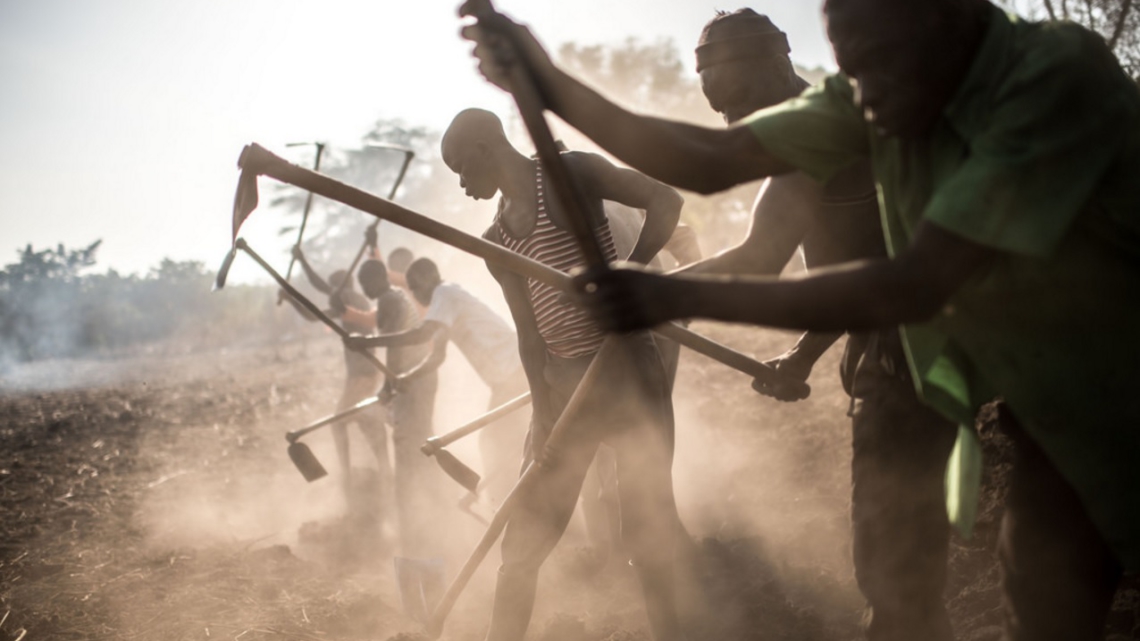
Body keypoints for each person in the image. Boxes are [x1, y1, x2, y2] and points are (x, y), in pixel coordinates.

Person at [461, 1, 1140, 639]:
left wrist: (665, 296)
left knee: (1060, 579)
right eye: (848, 63)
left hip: (1107, 378)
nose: (861, 92)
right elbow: (709, 166)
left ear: (942, 20)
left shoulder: (1049, 78)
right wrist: (546, 80)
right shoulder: (872, 89)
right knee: (930, 581)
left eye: (872, 61)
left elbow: (914, 279)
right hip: (953, 356)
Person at [682, 10, 960, 640]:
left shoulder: (823, 131)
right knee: (901, 561)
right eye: (725, 113)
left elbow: (759, 260)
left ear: (777, 63)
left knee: (893, 565)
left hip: (913, 355)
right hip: (892, 347)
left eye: (741, 99)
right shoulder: (804, 134)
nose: (739, 123)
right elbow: (858, 270)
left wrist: (651, 293)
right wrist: (804, 357)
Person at [441, 107, 688, 641]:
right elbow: (530, 338)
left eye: (461, 168)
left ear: (486, 147)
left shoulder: (570, 173)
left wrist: (633, 272)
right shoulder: (497, 243)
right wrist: (543, 413)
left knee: (647, 528)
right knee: (523, 544)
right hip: (563, 387)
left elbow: (666, 200)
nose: (461, 185)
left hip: (628, 371)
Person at [345, 256, 530, 506]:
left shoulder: (445, 293)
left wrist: (367, 343)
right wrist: (405, 378)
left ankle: (509, 504)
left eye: (415, 286)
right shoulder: (446, 305)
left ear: (428, 279)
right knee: (510, 440)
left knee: (493, 442)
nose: (415, 294)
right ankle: (515, 500)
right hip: (510, 376)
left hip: (514, 372)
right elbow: (436, 357)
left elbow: (421, 335)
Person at [340, 256, 445, 558]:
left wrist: (389, 385)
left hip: (412, 382)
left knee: (409, 443)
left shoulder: (388, 300)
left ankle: (411, 519)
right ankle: (429, 505)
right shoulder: (393, 297)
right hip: (417, 379)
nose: (366, 291)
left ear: (377, 279)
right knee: (420, 439)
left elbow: (395, 345)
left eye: (367, 284)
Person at [281, 245, 391, 514]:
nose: (331, 298)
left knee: (339, 422)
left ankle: (347, 477)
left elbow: (312, 306)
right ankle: (383, 472)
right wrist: (297, 273)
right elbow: (316, 304)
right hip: (363, 373)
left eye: (334, 291)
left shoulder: (348, 298)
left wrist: (301, 264)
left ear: (339, 287)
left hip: (362, 374)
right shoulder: (352, 301)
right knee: (365, 421)